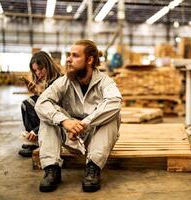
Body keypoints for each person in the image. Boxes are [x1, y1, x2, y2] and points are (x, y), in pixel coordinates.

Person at [35, 39, 122, 193]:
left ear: (89, 60)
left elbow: (115, 102)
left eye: (75, 55)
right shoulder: (64, 82)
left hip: (94, 139)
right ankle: (51, 169)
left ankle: (93, 168)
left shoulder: (105, 82)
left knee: (113, 115)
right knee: (48, 114)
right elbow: (41, 103)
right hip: (70, 136)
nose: (69, 59)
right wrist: (64, 121)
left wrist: (85, 124)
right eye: (69, 55)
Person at [19, 51, 61, 157]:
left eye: (40, 69)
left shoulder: (58, 82)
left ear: (48, 65)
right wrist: (36, 93)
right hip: (53, 115)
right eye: (35, 70)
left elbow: (55, 111)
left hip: (59, 121)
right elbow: (47, 101)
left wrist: (36, 130)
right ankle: (33, 141)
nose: (38, 73)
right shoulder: (51, 80)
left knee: (30, 103)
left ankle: (37, 140)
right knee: (27, 103)